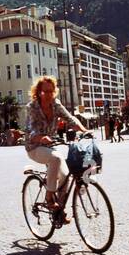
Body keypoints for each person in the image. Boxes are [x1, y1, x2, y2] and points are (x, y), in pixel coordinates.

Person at [24, 76, 89, 223]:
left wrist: (84, 131)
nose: (48, 94)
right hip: (34, 147)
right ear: (38, 91)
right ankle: (49, 197)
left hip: (50, 146)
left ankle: (58, 212)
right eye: (45, 91)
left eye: (51, 91)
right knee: (57, 159)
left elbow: (70, 119)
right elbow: (29, 130)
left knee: (66, 176)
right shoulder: (32, 107)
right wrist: (40, 138)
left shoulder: (56, 104)